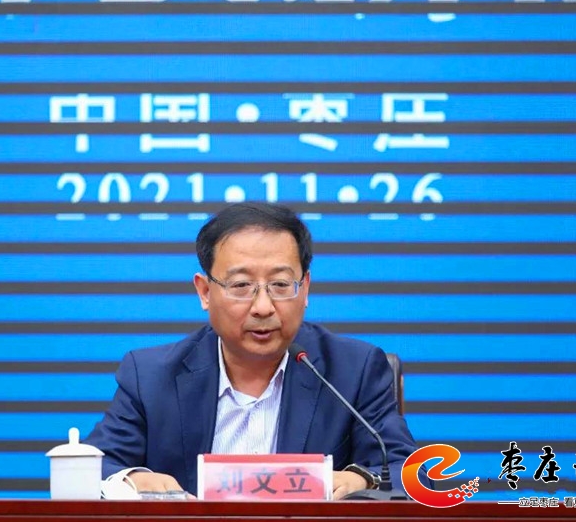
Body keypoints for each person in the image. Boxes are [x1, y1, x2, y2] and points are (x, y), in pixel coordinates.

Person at [86, 203, 427, 499]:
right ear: (205, 292)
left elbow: (409, 472)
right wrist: (130, 478)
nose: (263, 306)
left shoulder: (354, 370)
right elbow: (94, 467)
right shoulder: (150, 375)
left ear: (305, 288)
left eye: (280, 284)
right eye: (241, 285)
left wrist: (363, 479)